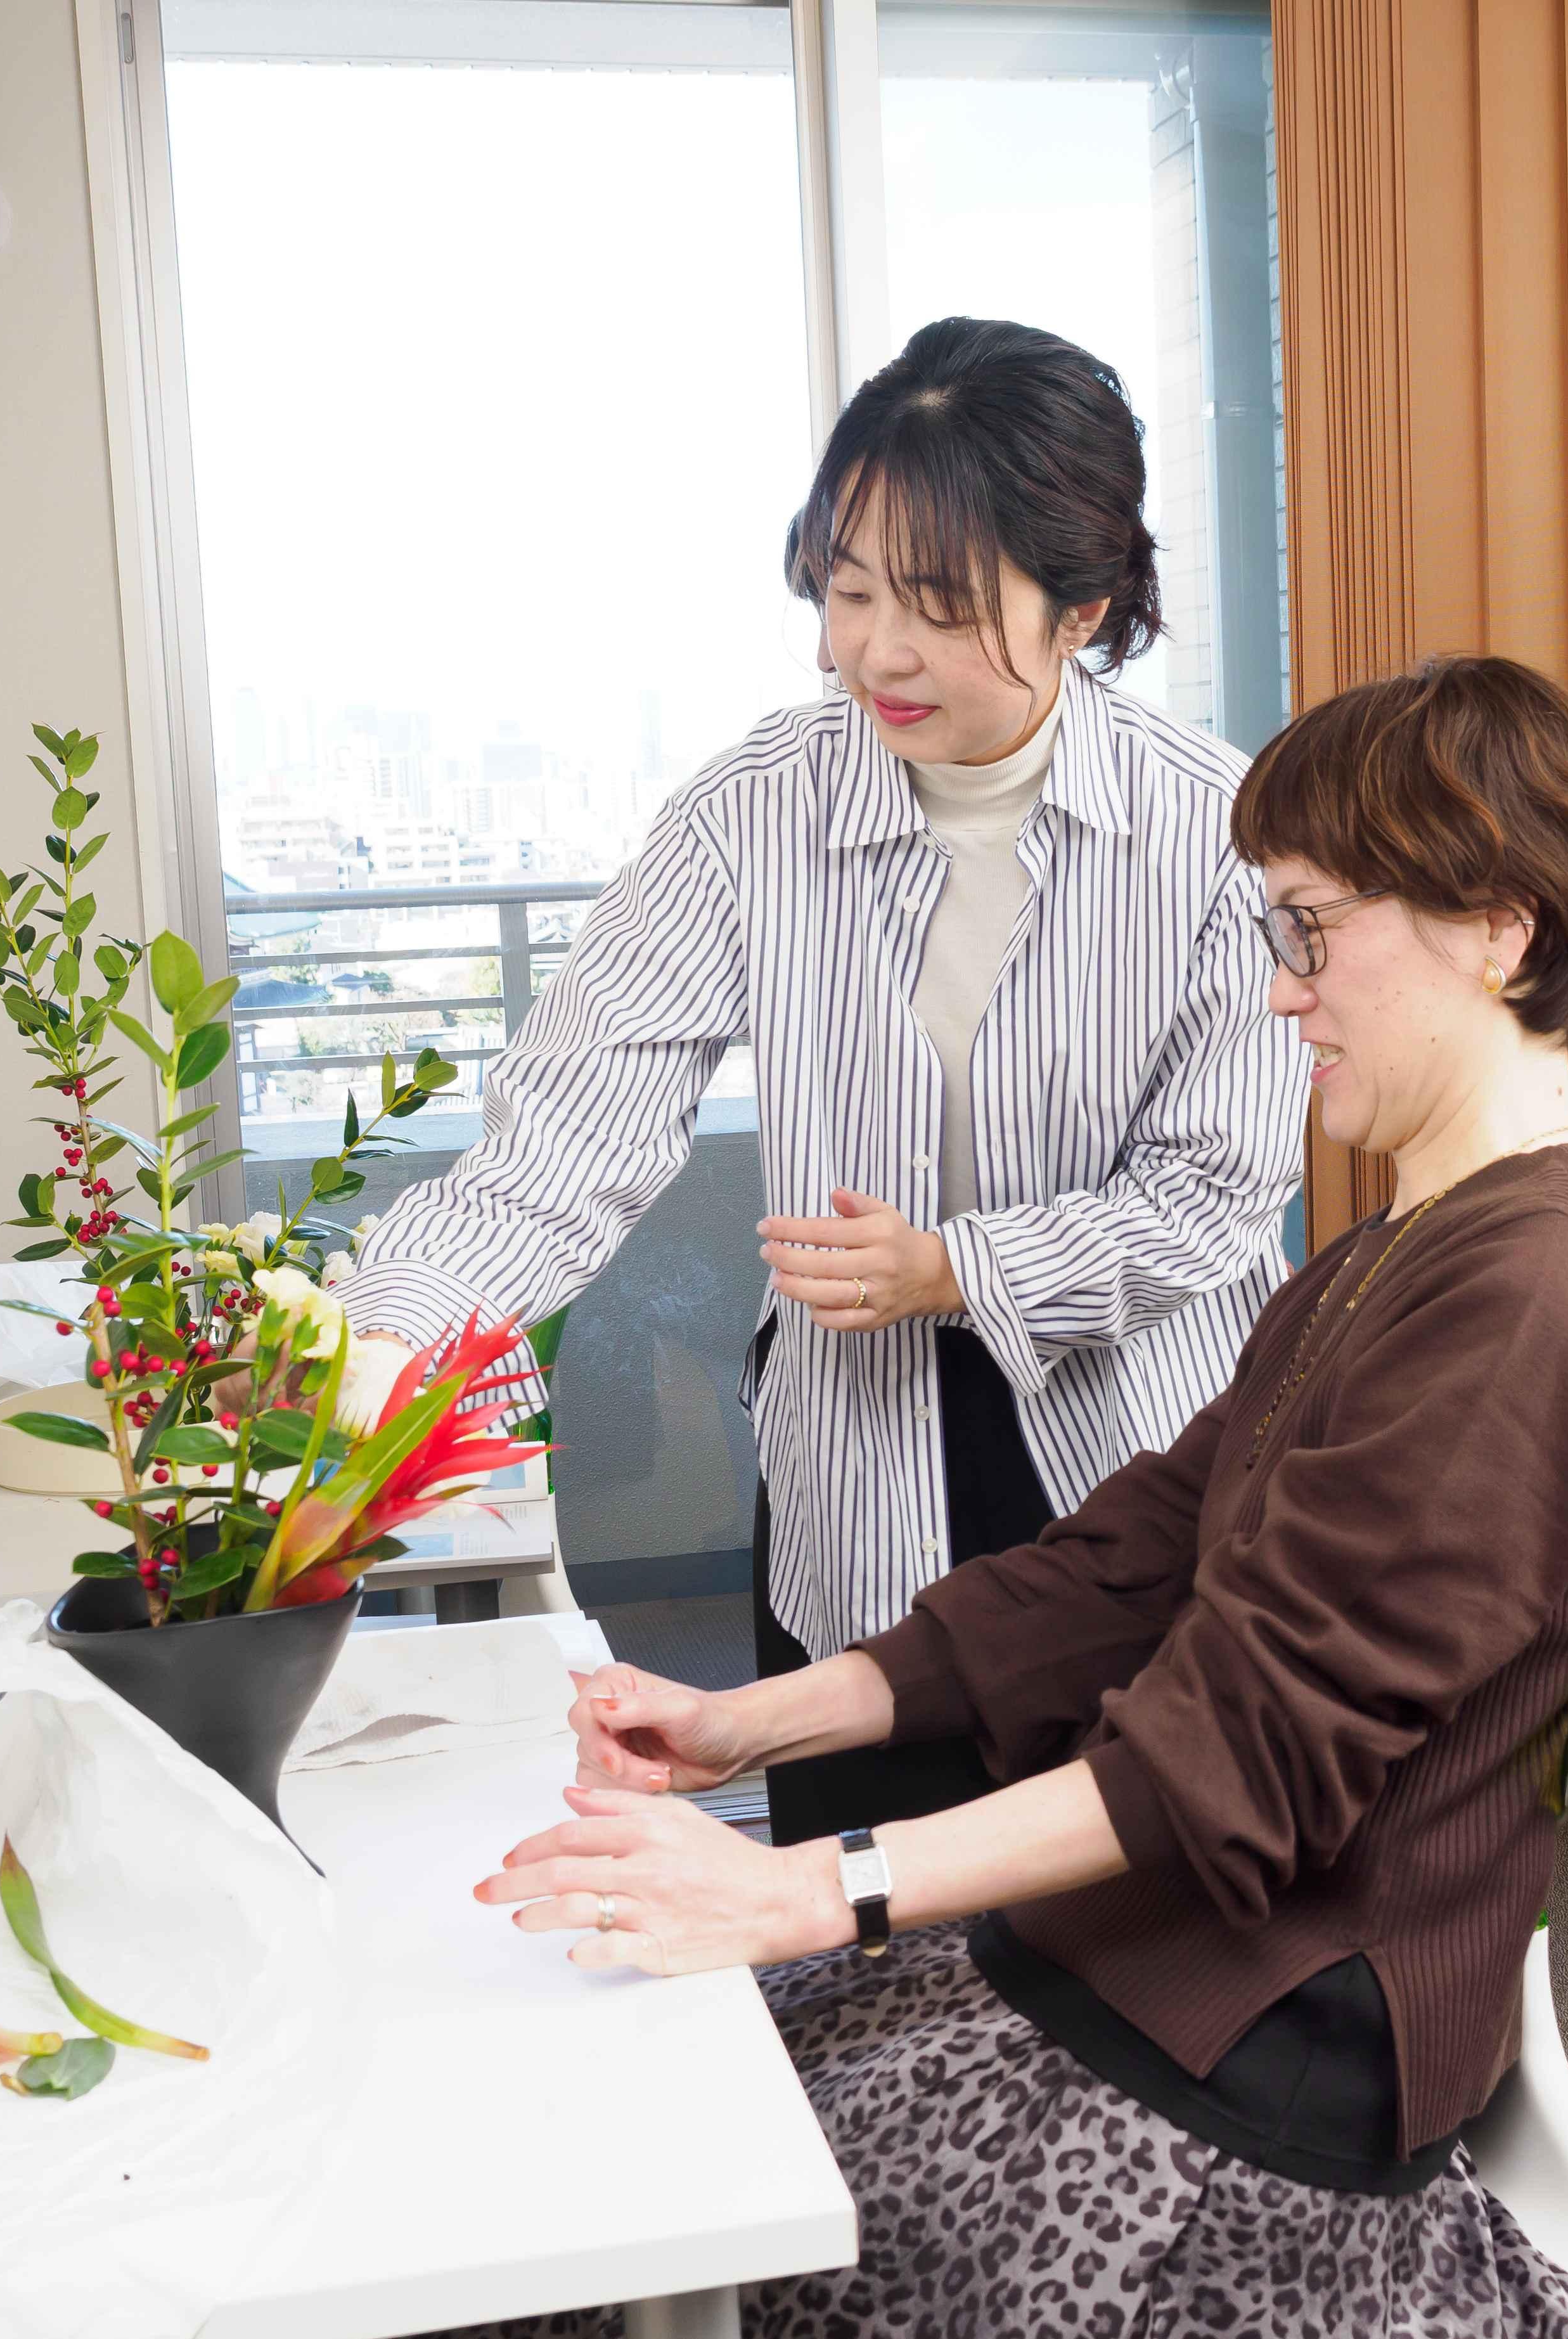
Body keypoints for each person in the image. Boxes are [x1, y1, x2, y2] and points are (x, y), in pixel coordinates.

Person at [216, 656, 1568, 2339]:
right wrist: (764, 1729)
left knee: (525, 2326)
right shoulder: (1406, 1253)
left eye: (1312, 933)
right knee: (534, 2213)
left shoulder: (1527, 1300)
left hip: (1239, 2079)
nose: (1285, 994)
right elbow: (1129, 1557)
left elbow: (1237, 1764)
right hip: (1140, 1970)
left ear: (1502, 935)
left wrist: (813, 1890)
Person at [335, 318, 1306, 1844]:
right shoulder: (755, 811)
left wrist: (954, 1268)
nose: (878, 651)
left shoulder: (1216, 829)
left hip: (1142, 1460)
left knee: (1123, 1921)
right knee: (859, 1919)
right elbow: (568, 1136)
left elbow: (1218, 1196)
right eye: (850, 591)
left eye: (940, 605)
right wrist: (385, 1343)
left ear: (1085, 610)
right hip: (861, 1466)